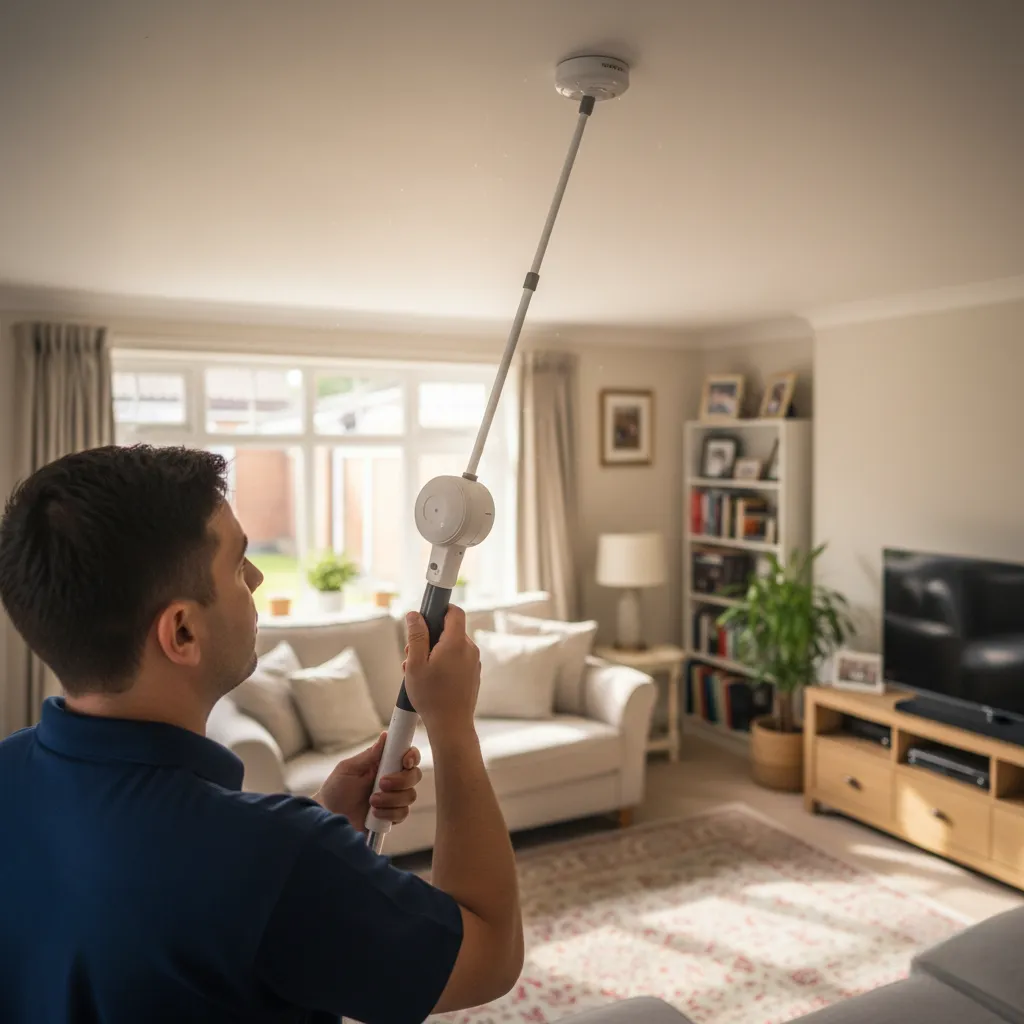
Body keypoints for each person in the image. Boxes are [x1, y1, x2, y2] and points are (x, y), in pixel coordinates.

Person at [0, 445, 524, 1024]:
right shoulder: (273, 858)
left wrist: (319, 820)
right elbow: (490, 953)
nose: (257, 576)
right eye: (238, 564)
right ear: (182, 630)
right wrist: (451, 725)